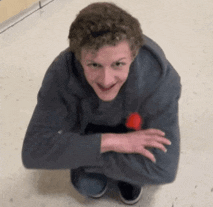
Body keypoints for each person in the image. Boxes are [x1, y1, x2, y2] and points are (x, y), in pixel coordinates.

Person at [22, 2, 181, 205]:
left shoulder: (160, 80)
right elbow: (34, 151)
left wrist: (78, 156)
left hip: (133, 129)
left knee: (138, 174)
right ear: (79, 58)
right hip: (90, 129)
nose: (106, 80)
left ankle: (123, 172)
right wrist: (111, 142)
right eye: (94, 64)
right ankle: (120, 167)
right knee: (89, 187)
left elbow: (163, 169)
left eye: (118, 64)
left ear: (133, 56)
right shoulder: (61, 73)